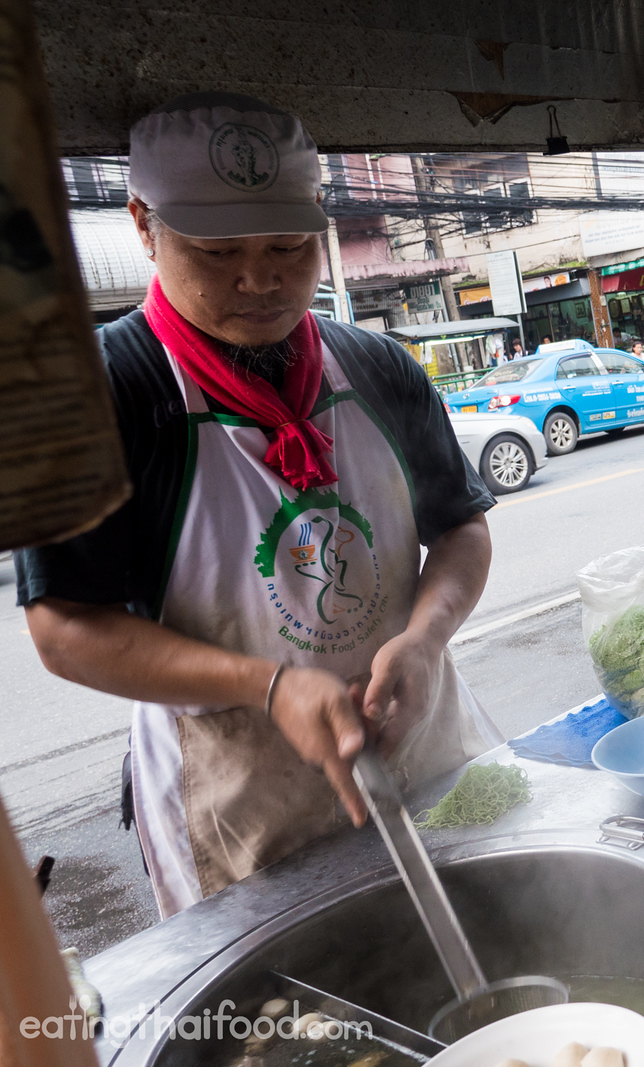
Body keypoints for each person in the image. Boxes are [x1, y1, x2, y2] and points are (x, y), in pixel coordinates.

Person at [14, 94, 501, 917]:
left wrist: (424, 638)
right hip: (242, 807)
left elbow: (460, 529)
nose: (260, 278)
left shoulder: (380, 368)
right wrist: (269, 685)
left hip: (424, 750)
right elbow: (63, 627)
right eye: (217, 251)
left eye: (286, 244)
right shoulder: (105, 396)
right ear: (142, 225)